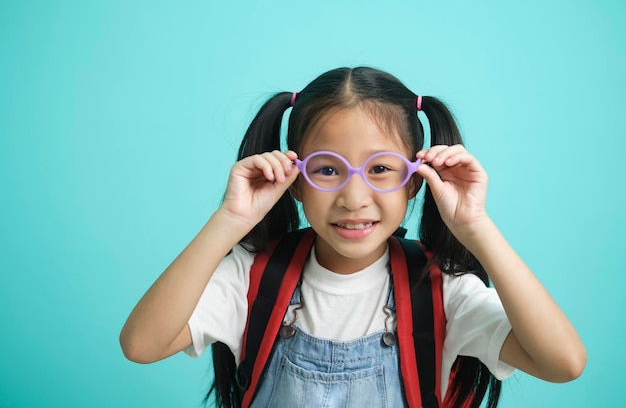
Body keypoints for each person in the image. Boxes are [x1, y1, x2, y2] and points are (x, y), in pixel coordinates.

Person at [119, 66, 587, 408]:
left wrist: (475, 227)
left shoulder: (439, 290)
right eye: (327, 169)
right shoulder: (251, 276)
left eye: (381, 169)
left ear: (414, 180)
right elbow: (141, 344)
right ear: (295, 179)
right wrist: (229, 219)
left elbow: (563, 362)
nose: (353, 197)